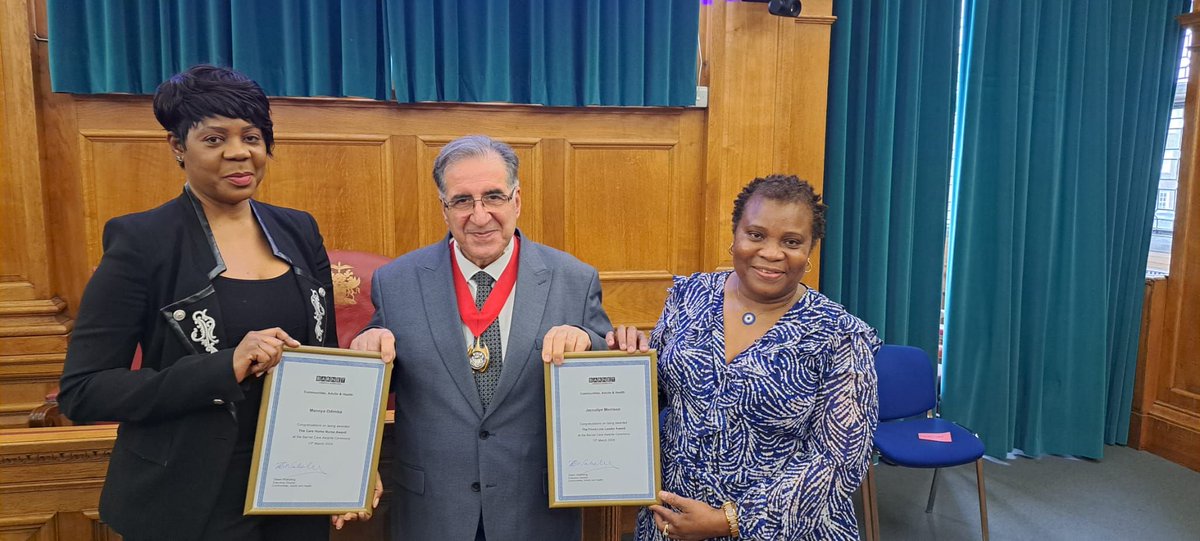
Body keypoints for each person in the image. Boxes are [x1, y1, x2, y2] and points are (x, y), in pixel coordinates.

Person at [56, 65, 370, 541]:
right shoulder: (142, 242)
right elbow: (84, 391)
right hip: (187, 496)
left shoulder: (299, 230)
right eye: (214, 139)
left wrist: (349, 468)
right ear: (178, 147)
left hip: (295, 488)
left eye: (252, 136)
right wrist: (224, 367)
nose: (239, 153)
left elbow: (323, 363)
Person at [350, 135, 615, 541]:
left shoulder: (574, 280)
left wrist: (586, 341)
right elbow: (382, 356)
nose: (479, 215)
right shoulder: (397, 282)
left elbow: (607, 372)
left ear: (517, 201)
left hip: (535, 513)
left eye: (493, 196)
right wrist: (368, 347)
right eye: (462, 200)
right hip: (433, 511)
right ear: (444, 209)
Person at [632, 175, 880, 540]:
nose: (772, 253)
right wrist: (627, 362)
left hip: (786, 530)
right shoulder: (690, 296)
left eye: (792, 242)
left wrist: (728, 521)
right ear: (735, 236)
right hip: (673, 521)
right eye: (756, 235)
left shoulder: (840, 336)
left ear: (810, 249)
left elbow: (837, 462)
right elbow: (658, 394)